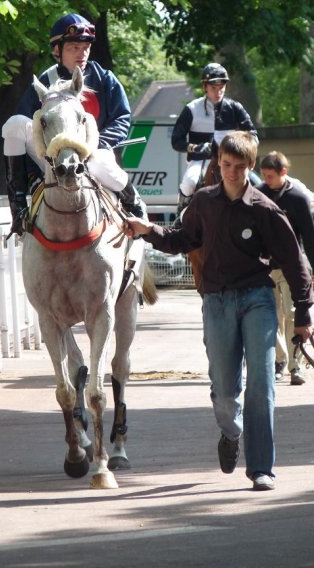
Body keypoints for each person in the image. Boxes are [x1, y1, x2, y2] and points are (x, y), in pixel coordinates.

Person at [124, 131, 314, 491]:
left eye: (239, 167)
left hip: (257, 298)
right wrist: (148, 230)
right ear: (218, 163)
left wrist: (304, 315)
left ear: (251, 166)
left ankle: (261, 468)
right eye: (226, 165)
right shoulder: (204, 202)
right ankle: (231, 432)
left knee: (261, 384)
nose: (231, 172)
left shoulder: (264, 209)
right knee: (225, 389)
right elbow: (182, 239)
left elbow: (294, 261)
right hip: (217, 302)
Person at [2, 13, 144, 236]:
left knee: (99, 163)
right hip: (52, 157)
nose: (82, 53)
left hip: (95, 153)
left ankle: (134, 204)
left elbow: (122, 119)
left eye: (85, 47)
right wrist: (32, 174)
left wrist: (96, 144)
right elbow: (29, 128)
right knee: (13, 124)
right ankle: (18, 206)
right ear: (57, 50)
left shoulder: (105, 79)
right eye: (74, 48)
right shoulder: (44, 83)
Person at [257, 151, 314, 385]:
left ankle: (296, 365)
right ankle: (279, 361)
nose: (267, 181)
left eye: (271, 176)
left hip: (292, 266)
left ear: (284, 172)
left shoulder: (298, 198)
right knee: (273, 316)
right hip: (267, 267)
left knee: (294, 316)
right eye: (264, 176)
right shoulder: (259, 194)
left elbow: (310, 238)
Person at [171, 62, 259, 215]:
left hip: (231, 159)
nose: (218, 92)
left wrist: (243, 146)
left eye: (221, 88)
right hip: (201, 159)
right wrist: (194, 147)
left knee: (259, 184)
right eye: (213, 88)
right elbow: (176, 141)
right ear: (205, 87)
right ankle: (180, 219)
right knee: (189, 182)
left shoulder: (235, 107)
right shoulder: (192, 109)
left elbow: (253, 135)